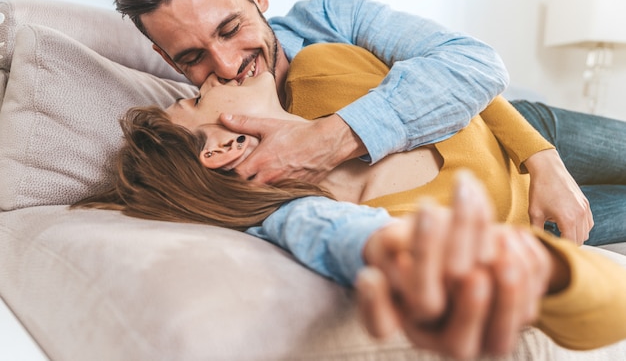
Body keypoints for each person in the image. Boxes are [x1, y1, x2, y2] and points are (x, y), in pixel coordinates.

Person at [75, 43, 626, 359]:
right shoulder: (375, 219)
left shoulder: (319, 67)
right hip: (547, 223)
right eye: (198, 97)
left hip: (530, 130)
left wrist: (541, 157)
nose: (214, 72)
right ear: (224, 146)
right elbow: (334, 234)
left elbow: (461, 76)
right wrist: (541, 270)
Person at [102, 0, 626, 247]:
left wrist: (543, 158)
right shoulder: (231, 153)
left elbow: (472, 64)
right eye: (191, 58)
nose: (225, 65)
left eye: (230, 27)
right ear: (168, 60)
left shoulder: (329, 22)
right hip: (518, 219)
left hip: (521, 126)